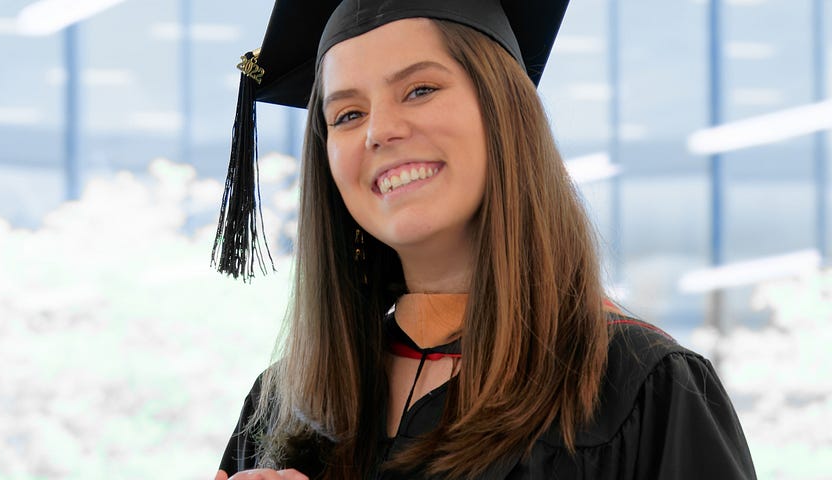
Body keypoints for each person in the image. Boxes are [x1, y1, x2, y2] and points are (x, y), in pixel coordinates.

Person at [207, 0, 756, 478]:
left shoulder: (641, 389)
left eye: (419, 89)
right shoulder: (285, 407)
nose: (379, 132)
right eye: (347, 114)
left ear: (505, 112)